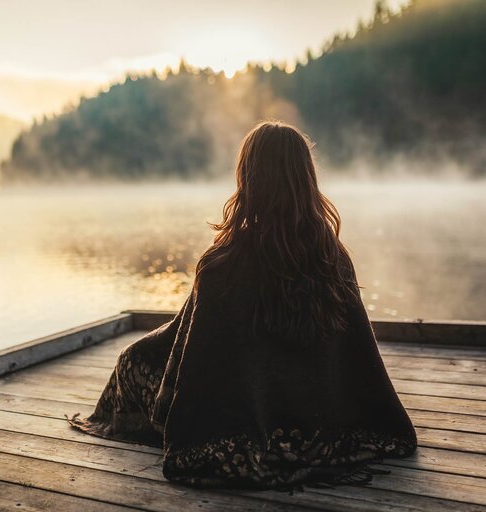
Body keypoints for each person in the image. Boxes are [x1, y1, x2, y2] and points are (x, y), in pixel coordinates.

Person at [68, 121, 417, 490]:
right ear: (305, 176)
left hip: (247, 410)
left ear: (248, 178)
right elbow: (356, 360)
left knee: (131, 361)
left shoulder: (223, 262)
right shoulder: (333, 256)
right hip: (318, 408)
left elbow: (196, 356)